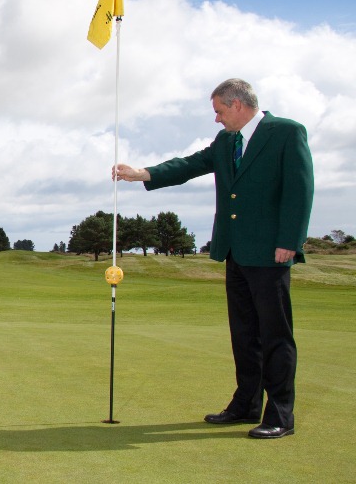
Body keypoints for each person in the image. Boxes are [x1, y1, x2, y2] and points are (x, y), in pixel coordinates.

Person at [112, 78, 314, 439]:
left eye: (219, 111)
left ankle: (281, 415)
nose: (217, 119)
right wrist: (143, 173)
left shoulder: (286, 132)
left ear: (238, 105)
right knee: (244, 334)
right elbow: (191, 164)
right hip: (234, 250)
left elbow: (300, 189)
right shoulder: (226, 142)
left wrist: (289, 240)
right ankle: (246, 404)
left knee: (275, 335)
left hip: (270, 252)